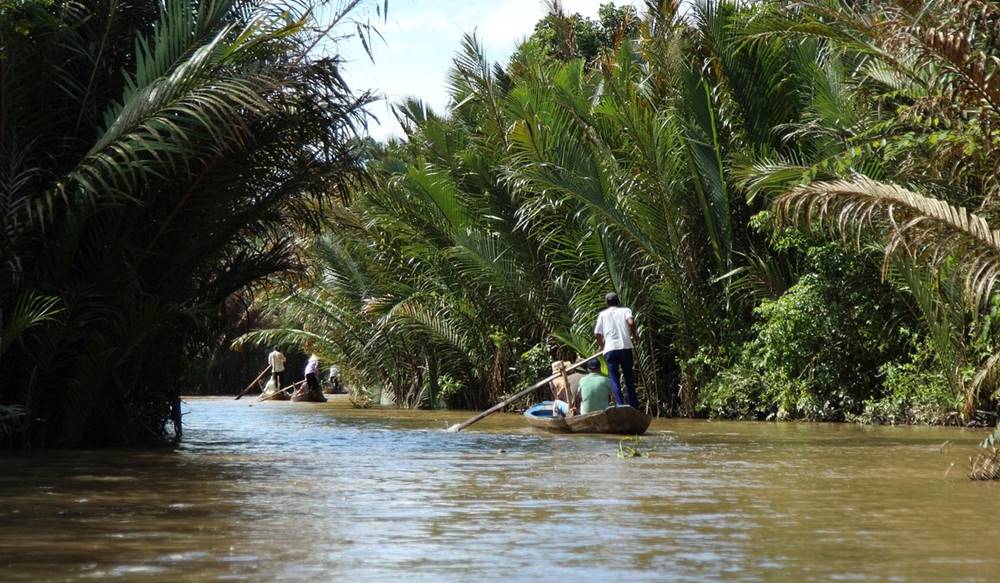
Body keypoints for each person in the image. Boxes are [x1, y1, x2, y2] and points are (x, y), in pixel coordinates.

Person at [594, 292, 639, 408]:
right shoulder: (625, 310)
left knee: (614, 379)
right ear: (618, 301)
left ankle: (620, 405)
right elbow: (631, 322)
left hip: (610, 350)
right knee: (629, 377)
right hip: (625, 347)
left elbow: (597, 334)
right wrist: (635, 335)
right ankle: (634, 406)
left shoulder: (602, 315)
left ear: (606, 303)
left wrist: (603, 346)